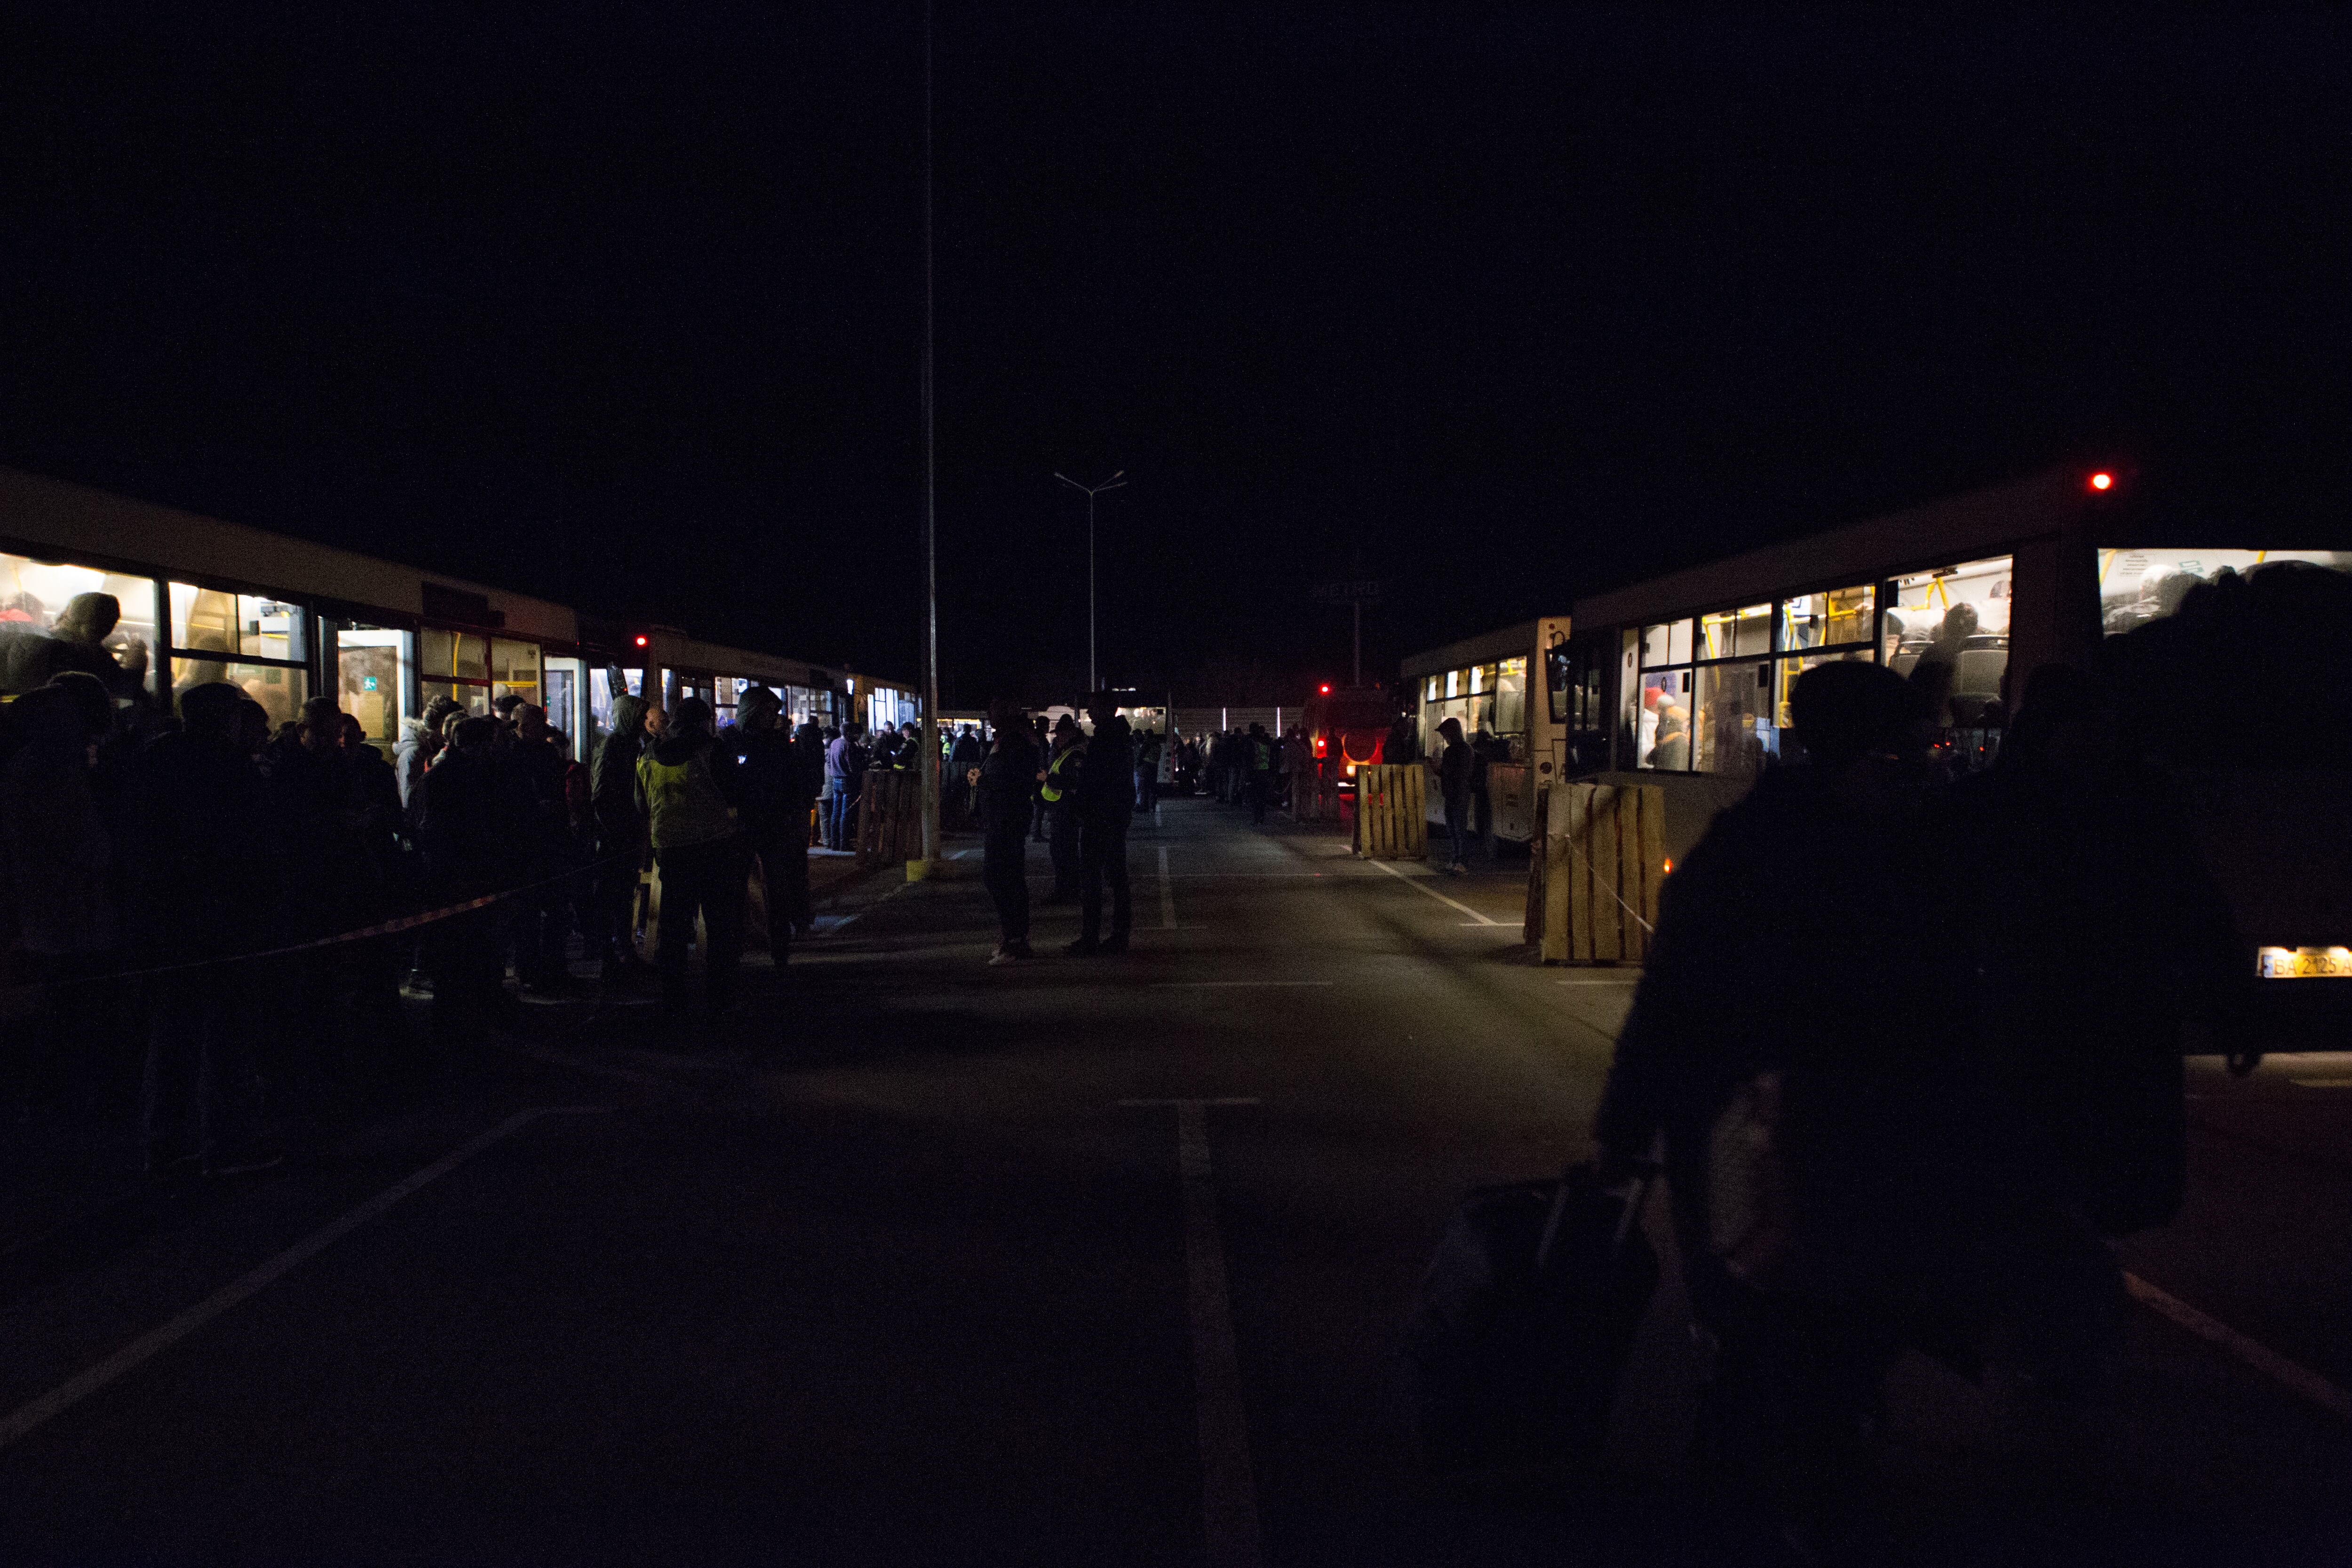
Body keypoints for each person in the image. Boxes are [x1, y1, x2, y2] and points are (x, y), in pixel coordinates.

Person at [1592, 662, 1979, 1553]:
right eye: (1903, 751)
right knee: (1791, 1331)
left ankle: (1765, 1489)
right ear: (1858, 755)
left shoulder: (1779, 845)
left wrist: (1627, 1123)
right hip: (1760, 1138)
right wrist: (1627, 1123)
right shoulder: (1810, 855)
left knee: (1801, 1332)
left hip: (1807, 1135)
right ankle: (1774, 1500)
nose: (1920, 768)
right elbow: (1676, 1000)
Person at [126, 683, 282, 1174]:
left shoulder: (156, 759)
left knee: (173, 1032)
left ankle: (167, 1141)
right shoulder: (231, 769)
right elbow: (254, 847)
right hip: (224, 919)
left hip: (168, 916)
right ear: (226, 720)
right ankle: (227, 1141)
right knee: (226, 1034)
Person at [637, 696, 745, 1025]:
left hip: (670, 850)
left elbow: (642, 805)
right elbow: (736, 793)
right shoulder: (713, 752)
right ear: (704, 722)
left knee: (673, 927)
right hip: (713, 848)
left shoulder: (647, 755)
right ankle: (720, 998)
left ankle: (672, 999)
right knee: (718, 927)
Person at [728, 687, 803, 966]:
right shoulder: (730, 741)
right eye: (770, 711)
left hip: (774, 824)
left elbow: (793, 782)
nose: (774, 717)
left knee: (778, 888)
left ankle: (780, 948)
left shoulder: (778, 743)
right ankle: (735, 948)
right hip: (742, 826)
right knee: (735, 889)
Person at [586, 685, 652, 979]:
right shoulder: (613, 747)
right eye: (638, 717)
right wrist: (612, 829)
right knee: (612, 897)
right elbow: (601, 795)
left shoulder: (631, 745)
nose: (643, 723)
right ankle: (609, 955)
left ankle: (623, 951)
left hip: (626, 831)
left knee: (624, 896)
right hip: (616, 836)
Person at [973, 702, 1040, 965]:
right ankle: (1015, 938)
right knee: (1006, 878)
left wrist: (982, 780)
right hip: (1004, 819)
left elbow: (1010, 781)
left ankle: (1015, 941)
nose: (990, 717)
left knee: (1000, 878)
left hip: (1006, 820)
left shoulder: (1013, 744)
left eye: (994, 712)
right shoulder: (1010, 742)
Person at [1068, 693, 1134, 956]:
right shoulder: (1116, 737)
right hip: (1111, 815)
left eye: (1093, 706)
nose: (1089, 711)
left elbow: (1097, 781)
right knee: (1114, 877)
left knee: (1096, 878)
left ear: (1107, 709)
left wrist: (1083, 803)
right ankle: (1115, 936)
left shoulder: (1107, 740)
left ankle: (1094, 937)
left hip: (1102, 817)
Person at [1038, 713, 1085, 903]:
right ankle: (1066, 889)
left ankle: (1068, 891)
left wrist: (1047, 779)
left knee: (1065, 852)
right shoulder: (1065, 752)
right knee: (1061, 851)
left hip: (1068, 811)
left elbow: (1073, 781)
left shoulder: (1075, 755)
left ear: (1070, 734)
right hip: (1061, 810)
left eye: (1060, 734)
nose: (1057, 738)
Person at [1435, 716, 1472, 874]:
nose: (1445, 738)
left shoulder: (1452, 751)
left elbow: (1448, 772)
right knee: (1458, 828)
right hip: (1462, 793)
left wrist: (1436, 769)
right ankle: (1457, 860)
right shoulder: (1468, 749)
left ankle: (1459, 861)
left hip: (1454, 794)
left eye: (1445, 735)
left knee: (1456, 829)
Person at [1244, 722, 1274, 825]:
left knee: (1253, 798)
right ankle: (1262, 818)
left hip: (1254, 773)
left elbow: (1248, 760)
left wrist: (1247, 777)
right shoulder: (1266, 742)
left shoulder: (1250, 742)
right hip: (1265, 772)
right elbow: (1271, 758)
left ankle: (1256, 819)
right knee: (1262, 797)